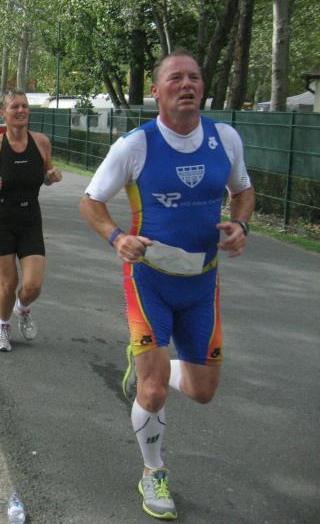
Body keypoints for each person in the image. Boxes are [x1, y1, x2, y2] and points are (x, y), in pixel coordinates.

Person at [79, 50, 255, 521]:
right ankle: (152, 470)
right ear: (156, 91)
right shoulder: (135, 146)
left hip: (202, 285)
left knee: (202, 391)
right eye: (175, 78)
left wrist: (241, 225)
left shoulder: (225, 139)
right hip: (148, 282)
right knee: (154, 392)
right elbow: (91, 202)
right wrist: (117, 237)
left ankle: (150, 367)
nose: (187, 84)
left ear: (203, 88)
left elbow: (242, 190)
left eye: (194, 77)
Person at [0, 90, 62, 352]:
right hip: (0, 219)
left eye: (24, 106)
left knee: (33, 285)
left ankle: (22, 309)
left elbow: (44, 174)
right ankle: (3, 326)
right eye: (15, 107)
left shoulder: (41, 142)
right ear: (3, 113)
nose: (21, 110)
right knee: (9, 282)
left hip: (30, 218)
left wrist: (51, 177)